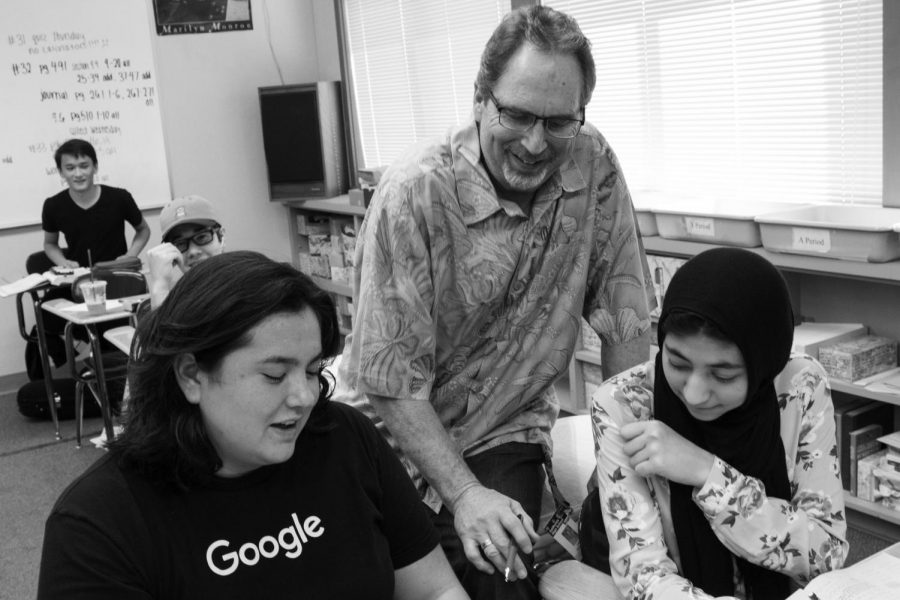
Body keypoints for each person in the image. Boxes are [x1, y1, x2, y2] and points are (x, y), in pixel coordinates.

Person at [334, 6, 656, 599]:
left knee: (575, 558)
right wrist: (463, 495)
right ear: (481, 98)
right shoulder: (415, 194)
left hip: (503, 428)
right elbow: (389, 380)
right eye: (517, 115)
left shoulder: (593, 163)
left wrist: (621, 469)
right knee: (469, 574)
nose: (536, 143)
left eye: (560, 122)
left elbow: (627, 322)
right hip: (397, 434)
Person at [37, 251, 469, 600]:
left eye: (314, 370)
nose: (304, 397)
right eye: (274, 376)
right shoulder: (100, 523)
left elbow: (435, 588)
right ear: (191, 376)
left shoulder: (345, 439)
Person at [540, 247, 848, 600]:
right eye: (678, 363)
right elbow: (645, 576)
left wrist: (708, 474)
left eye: (723, 374)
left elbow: (827, 553)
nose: (696, 393)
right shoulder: (623, 404)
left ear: (764, 362)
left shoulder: (799, 386)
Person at [42, 138, 150, 268]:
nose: (78, 174)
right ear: (61, 172)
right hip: (78, 278)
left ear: (95, 167)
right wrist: (63, 262)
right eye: (70, 168)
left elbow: (143, 230)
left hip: (118, 274)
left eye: (84, 166)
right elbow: (50, 244)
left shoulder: (120, 197)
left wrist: (130, 256)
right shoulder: (53, 206)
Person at [146, 194, 225, 309]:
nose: (193, 251)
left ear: (221, 236)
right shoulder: (175, 300)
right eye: (181, 244)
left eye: (202, 237)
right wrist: (159, 285)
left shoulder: (248, 284)